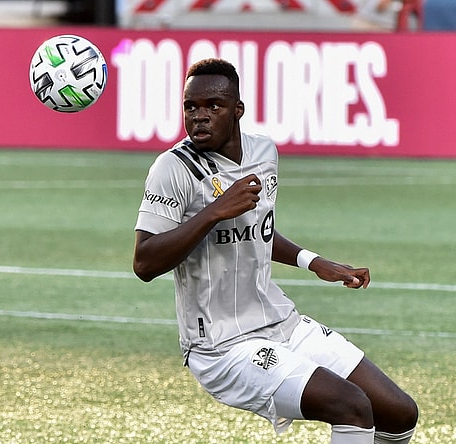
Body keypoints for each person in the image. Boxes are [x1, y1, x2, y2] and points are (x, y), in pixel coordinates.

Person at [132, 58, 418, 443]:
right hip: (222, 346)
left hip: (281, 322)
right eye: (191, 107)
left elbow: (258, 231)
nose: (199, 116)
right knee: (352, 407)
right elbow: (145, 262)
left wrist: (312, 261)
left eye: (212, 106)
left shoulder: (264, 152)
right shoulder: (173, 168)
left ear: (238, 111)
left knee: (399, 413)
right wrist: (215, 211)